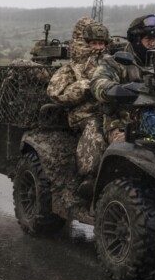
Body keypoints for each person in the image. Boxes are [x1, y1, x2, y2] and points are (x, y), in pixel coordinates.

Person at [46, 17, 109, 193]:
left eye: (101, 43)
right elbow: (55, 93)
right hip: (83, 114)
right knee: (95, 131)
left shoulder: (110, 63)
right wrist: (85, 86)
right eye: (94, 43)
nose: (97, 48)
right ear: (84, 42)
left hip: (110, 112)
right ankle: (89, 178)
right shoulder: (72, 68)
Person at [91, 13, 155, 142]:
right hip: (120, 120)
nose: (154, 43)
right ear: (136, 39)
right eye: (149, 38)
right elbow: (97, 83)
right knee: (126, 145)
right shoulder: (116, 61)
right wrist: (116, 90)